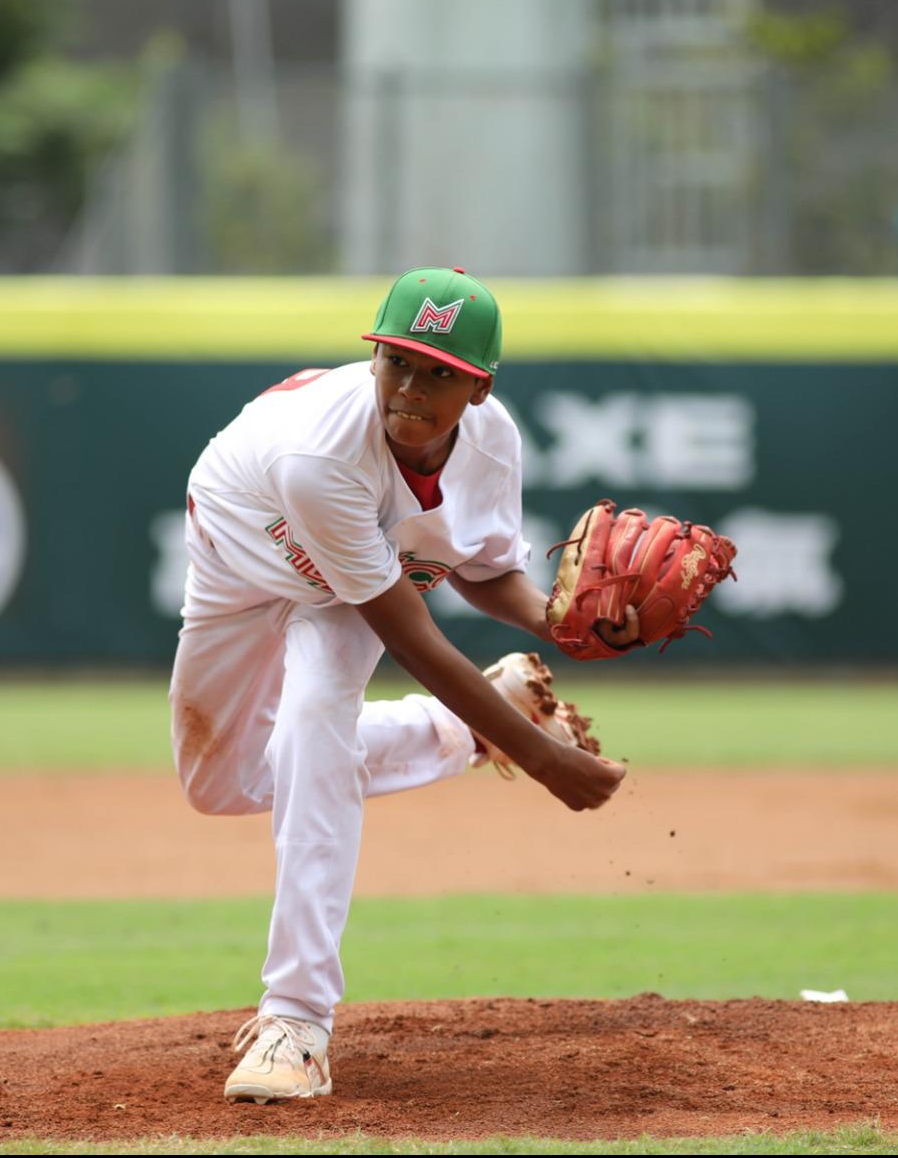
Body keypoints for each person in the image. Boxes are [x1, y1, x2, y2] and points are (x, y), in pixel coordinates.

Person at [172, 267, 632, 1103]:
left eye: (440, 371)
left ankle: (296, 1021)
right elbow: (413, 637)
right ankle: (470, 729)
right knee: (217, 783)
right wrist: (539, 756)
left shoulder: (493, 443)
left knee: (316, 720)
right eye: (398, 361)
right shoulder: (323, 455)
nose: (412, 387)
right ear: (375, 356)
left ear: (480, 387)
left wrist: (564, 625)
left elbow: (482, 570)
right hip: (243, 547)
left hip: (351, 578)